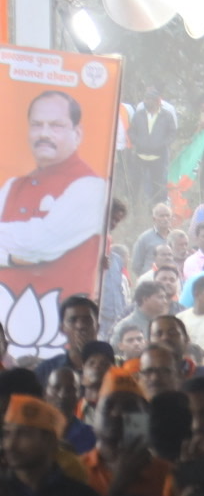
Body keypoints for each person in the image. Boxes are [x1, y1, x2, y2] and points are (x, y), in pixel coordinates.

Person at [0, 91, 111, 326]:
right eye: (37, 125)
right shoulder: (12, 186)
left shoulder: (92, 186)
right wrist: (13, 256)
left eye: (56, 126)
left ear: (77, 133)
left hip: (58, 332)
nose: (44, 134)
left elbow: (39, 244)